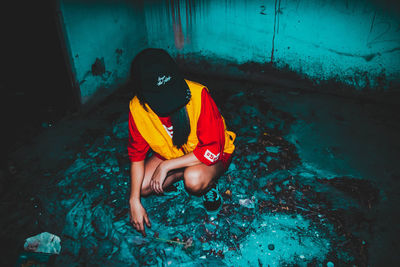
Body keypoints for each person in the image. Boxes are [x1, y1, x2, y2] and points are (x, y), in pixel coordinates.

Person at [127, 48, 236, 237]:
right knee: (144, 187)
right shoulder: (137, 109)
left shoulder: (198, 95)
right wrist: (133, 201)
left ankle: (209, 184)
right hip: (172, 154)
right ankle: (179, 175)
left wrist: (166, 166)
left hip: (211, 155)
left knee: (193, 180)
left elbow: (212, 149)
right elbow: (136, 156)